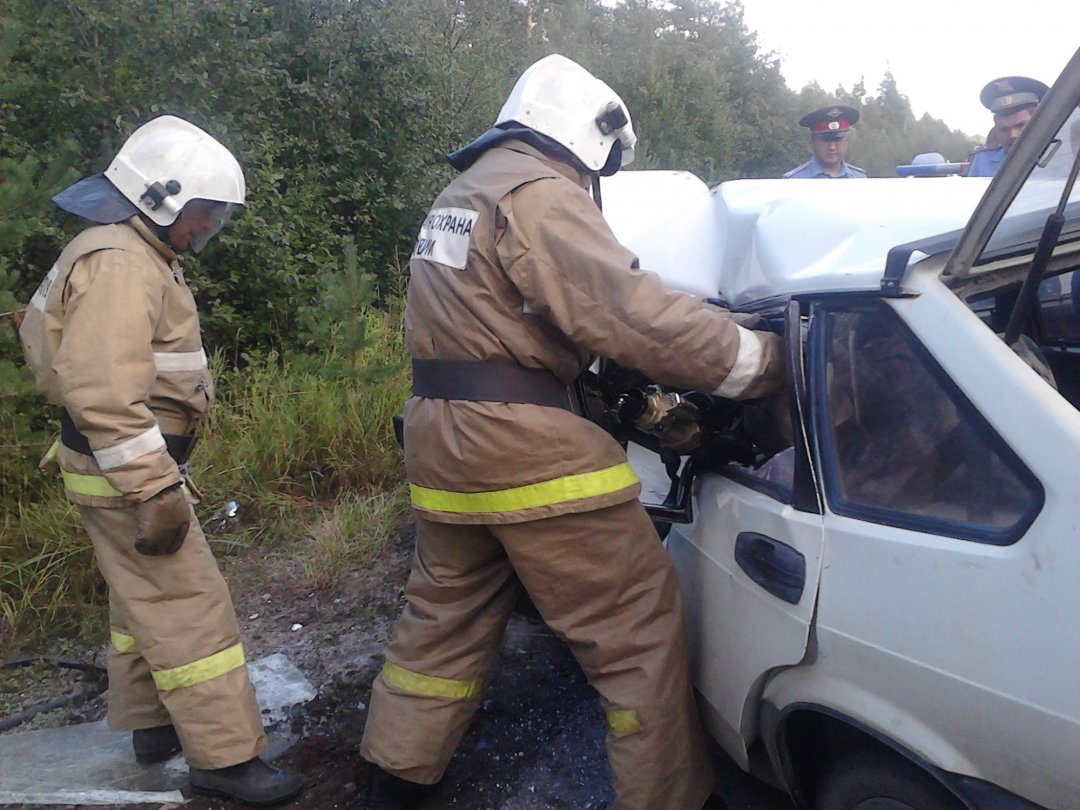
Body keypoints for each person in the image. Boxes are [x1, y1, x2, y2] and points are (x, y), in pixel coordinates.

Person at [358, 54, 785, 810]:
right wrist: (755, 362)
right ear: (591, 140)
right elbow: (625, 312)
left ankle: (390, 775)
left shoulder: (462, 193)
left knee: (445, 616)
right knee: (635, 632)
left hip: (440, 443)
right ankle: (671, 797)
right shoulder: (539, 192)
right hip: (526, 448)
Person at [18, 115, 303, 806]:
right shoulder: (120, 261)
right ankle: (226, 759)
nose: (207, 229)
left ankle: (152, 726)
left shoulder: (126, 249)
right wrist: (153, 487)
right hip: (126, 469)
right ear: (162, 198)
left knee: (140, 599)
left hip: (114, 464)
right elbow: (103, 391)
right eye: (204, 214)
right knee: (188, 607)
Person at [966, 76, 1048, 177]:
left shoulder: (1060, 155)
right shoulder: (982, 161)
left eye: (1021, 125)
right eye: (1003, 130)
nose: (1012, 135)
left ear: (1039, 123)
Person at [783, 105, 867, 178]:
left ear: (846, 142)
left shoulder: (859, 179)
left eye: (838, 140)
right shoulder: (794, 181)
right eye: (825, 140)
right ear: (812, 144)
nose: (832, 147)